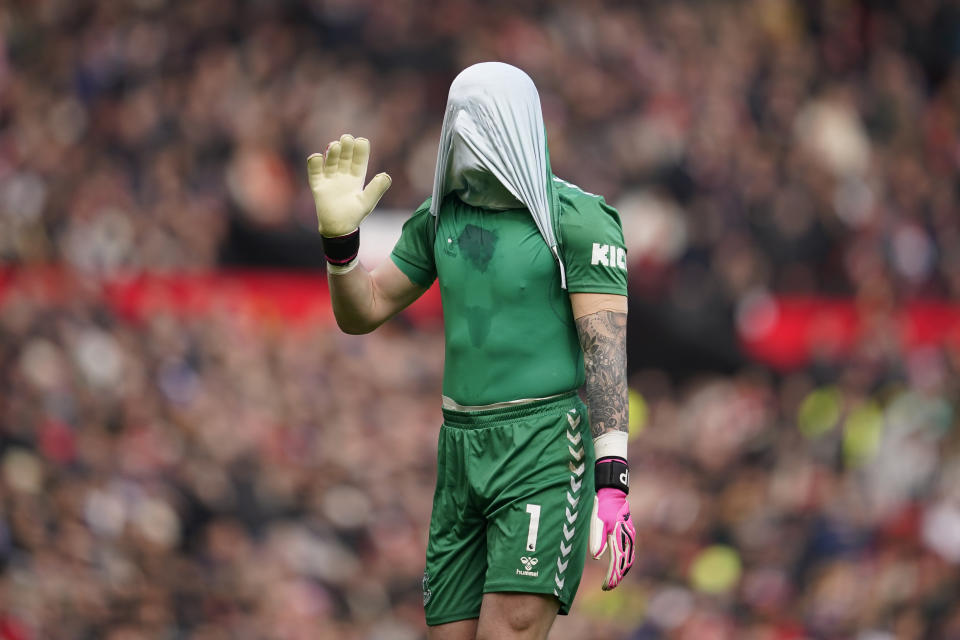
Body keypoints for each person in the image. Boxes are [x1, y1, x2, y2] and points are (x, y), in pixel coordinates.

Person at [306, 62, 635, 640]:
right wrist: (340, 246)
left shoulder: (576, 221)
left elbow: (605, 350)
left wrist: (613, 476)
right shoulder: (438, 220)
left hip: (542, 446)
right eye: (456, 117)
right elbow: (363, 310)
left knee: (509, 629)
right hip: (459, 445)